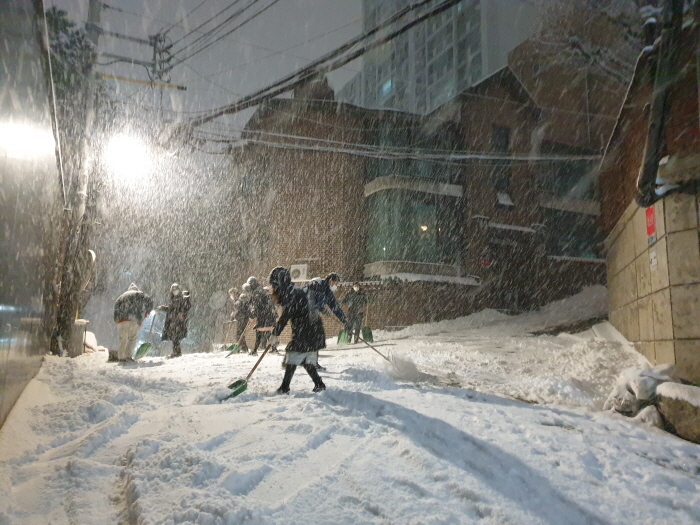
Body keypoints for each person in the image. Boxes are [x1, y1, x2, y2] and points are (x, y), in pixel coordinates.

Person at [268, 266, 325, 394]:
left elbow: (285, 316)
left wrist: (275, 334)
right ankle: (318, 383)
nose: (273, 288)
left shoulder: (293, 294)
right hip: (308, 328)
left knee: (293, 354)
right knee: (301, 356)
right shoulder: (292, 291)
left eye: (274, 284)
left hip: (307, 329)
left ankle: (285, 387)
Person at [305, 272, 350, 370]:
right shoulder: (315, 284)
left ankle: (312, 362)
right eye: (335, 284)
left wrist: (344, 321)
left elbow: (335, 307)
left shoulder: (327, 291)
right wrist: (320, 309)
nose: (335, 287)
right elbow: (310, 302)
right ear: (330, 281)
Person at [113, 283, 153, 363]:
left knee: (123, 339)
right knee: (132, 338)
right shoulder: (139, 294)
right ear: (136, 289)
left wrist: (117, 320)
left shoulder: (122, 296)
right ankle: (128, 356)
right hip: (133, 319)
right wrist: (147, 311)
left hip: (121, 320)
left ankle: (121, 358)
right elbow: (149, 300)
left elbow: (116, 307)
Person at [159, 283, 192, 358]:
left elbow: (186, 307)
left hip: (178, 321)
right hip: (172, 320)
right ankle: (176, 352)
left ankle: (177, 352)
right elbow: (171, 309)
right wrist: (163, 308)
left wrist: (182, 313)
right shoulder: (173, 298)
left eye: (175, 288)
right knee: (174, 337)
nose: (174, 290)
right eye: (173, 289)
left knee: (176, 336)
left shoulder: (182, 298)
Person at [246, 276, 277, 356]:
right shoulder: (261, 290)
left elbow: (257, 306)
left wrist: (253, 315)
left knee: (260, 331)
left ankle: (255, 350)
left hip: (265, 315)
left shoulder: (257, 292)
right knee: (267, 331)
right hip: (268, 314)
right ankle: (273, 348)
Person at [233, 283, 252, 353]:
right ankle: (243, 347)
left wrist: (235, 313)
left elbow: (239, 307)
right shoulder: (239, 298)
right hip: (242, 318)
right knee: (240, 334)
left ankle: (239, 347)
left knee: (239, 333)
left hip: (243, 318)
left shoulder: (241, 297)